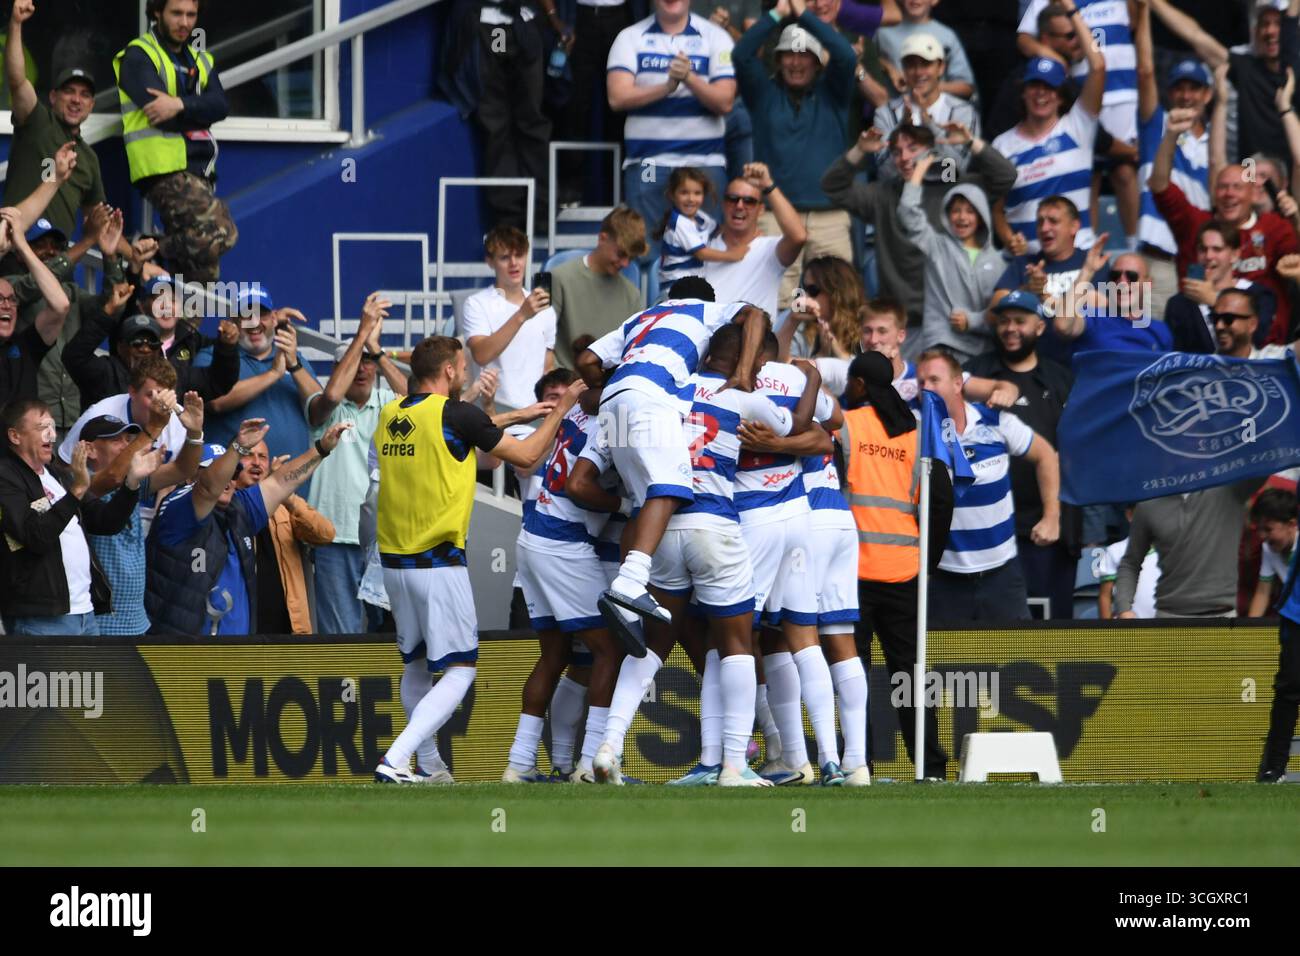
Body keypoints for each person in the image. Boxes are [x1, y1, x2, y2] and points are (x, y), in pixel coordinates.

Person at [581, 322, 816, 786]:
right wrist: (810, 378)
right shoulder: (741, 396)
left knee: (651, 645)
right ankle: (733, 764)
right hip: (716, 525)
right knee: (735, 643)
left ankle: (607, 747)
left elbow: (599, 407)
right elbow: (800, 426)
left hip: (660, 525)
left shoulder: (662, 394)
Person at [372, 336, 587, 784]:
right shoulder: (457, 414)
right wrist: (562, 408)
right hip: (438, 562)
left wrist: (518, 415)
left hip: (393, 563)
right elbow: (526, 455)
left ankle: (430, 768)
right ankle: (395, 759)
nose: (467, 372)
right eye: (463, 367)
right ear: (449, 370)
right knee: (460, 669)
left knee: (415, 663)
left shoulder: (391, 413)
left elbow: (464, 430)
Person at [574, 280, 767, 649]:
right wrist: (743, 374)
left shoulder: (639, 317)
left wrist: (612, 386)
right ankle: (631, 583)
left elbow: (586, 360)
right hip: (651, 397)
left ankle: (628, 600)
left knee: (642, 500)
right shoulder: (705, 311)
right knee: (672, 488)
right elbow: (756, 315)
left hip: (613, 404)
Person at [840, 350, 953, 779]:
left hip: (854, 571)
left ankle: (860, 765)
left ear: (861, 385)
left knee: (856, 675)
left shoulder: (848, 426)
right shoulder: (918, 432)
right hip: (906, 569)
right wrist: (929, 561)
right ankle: (932, 766)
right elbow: (941, 499)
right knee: (910, 675)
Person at [504, 388, 624, 784]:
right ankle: (590, 766)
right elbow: (579, 486)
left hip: (533, 537)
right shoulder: (613, 422)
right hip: (564, 542)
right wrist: (624, 505)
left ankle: (520, 763)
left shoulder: (573, 413)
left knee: (555, 657)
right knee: (609, 650)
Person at [146, 417, 350, 636]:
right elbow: (207, 489)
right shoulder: (178, 505)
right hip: (184, 654)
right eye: (216, 472)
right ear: (191, 476)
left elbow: (281, 482)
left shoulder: (239, 506)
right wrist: (237, 448)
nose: (227, 480)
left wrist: (321, 448)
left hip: (240, 655)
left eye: (233, 474)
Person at [822, 121, 1017, 345]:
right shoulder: (883, 193)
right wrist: (860, 151)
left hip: (953, 321)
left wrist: (970, 142)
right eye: (896, 152)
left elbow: (1006, 176)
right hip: (905, 322)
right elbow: (832, 186)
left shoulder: (952, 186)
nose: (904, 157)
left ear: (931, 152)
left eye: (913, 149)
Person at [919, 348, 1061, 622]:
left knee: (1017, 662)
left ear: (958, 383)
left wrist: (1052, 516)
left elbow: (1046, 455)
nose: (926, 388)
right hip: (944, 578)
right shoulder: (915, 430)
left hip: (1002, 575)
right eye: (922, 382)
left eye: (935, 380)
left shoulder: (996, 421)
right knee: (946, 663)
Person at [732, 0, 856, 308]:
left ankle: (833, 358)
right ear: (777, 59)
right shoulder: (763, 93)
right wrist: (778, 13)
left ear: (817, 62)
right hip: (776, 214)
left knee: (839, 302)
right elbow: (741, 53)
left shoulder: (834, 94)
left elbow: (845, 55)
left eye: (805, 55)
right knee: (772, 303)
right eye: (789, 54)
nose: (796, 62)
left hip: (830, 215)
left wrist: (804, 15)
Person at [967, 290, 1078, 619]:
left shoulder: (1061, 380)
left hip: (1045, 532)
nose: (1010, 328)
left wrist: (1058, 519)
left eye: (1020, 321)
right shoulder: (975, 375)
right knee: (989, 633)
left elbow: (1073, 455)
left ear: (1040, 328)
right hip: (986, 532)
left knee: (1047, 633)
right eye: (1003, 321)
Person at [1150, 108, 1298, 344]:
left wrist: (1296, 218)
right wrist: (1170, 135)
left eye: (1237, 187)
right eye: (1222, 187)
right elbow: (1159, 186)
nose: (1229, 194)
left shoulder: (1274, 229)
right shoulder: (1196, 224)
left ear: (1254, 193)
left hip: (1264, 351)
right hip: (1200, 348)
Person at [113, 0, 235, 283]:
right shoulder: (138, 55)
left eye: (191, 15)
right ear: (157, 12)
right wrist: (198, 111)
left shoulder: (201, 60)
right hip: (162, 169)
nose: (184, 23)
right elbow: (160, 115)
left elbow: (220, 106)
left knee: (202, 273)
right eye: (176, 14)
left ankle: (181, 326)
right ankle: (149, 248)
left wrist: (179, 104)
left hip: (199, 169)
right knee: (224, 231)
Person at [306, 293, 408, 634]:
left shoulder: (389, 403)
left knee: (393, 637)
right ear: (340, 368)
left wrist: (377, 350)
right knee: (341, 638)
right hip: (334, 537)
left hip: (387, 538)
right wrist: (364, 331)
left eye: (369, 361)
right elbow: (332, 395)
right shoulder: (323, 407)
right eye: (355, 360)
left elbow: (423, 403)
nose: (363, 368)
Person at [607, 0, 737, 263]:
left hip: (703, 162)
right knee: (644, 252)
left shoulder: (717, 37)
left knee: (707, 252)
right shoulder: (629, 37)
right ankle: (652, 304)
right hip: (649, 162)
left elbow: (724, 102)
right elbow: (617, 98)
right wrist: (667, 87)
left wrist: (689, 78)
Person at [0, 399, 145, 635]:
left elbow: (105, 521)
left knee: (93, 674)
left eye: (53, 426)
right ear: (15, 436)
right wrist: (77, 490)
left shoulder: (57, 475)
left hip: (85, 613)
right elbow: (35, 536)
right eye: (41, 428)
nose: (51, 435)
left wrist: (132, 483)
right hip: (42, 618)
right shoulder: (6, 477)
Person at [2, 0, 126, 256]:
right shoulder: (36, 121)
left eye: (84, 95)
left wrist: (134, 255)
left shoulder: (89, 159)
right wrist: (15, 24)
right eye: (69, 91)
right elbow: (16, 80)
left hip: (56, 269)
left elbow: (99, 221)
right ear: (53, 97)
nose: (76, 100)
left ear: (91, 104)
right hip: (13, 257)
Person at [1018, 0, 1140, 252]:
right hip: (1082, 91)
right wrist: (1054, 59)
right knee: (1090, 172)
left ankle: (1135, 247)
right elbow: (1024, 39)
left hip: (1123, 92)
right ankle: (1086, 247)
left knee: (1125, 171)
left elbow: (1135, 22)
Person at [81, 391, 204, 636]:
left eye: (129, 440)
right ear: (90, 450)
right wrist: (155, 426)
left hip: (138, 621)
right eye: (117, 440)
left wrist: (194, 434)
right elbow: (113, 477)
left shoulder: (133, 481)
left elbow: (183, 469)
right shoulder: (83, 486)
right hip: (102, 623)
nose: (127, 446)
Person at [992, 15, 1106, 255]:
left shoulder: (1078, 126)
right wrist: (1010, 240)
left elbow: (1097, 66)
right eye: (1034, 86)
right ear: (1023, 93)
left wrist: (1072, 11)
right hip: (1027, 263)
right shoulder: (1002, 145)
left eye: (1049, 87)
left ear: (1061, 95)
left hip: (1079, 261)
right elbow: (996, 208)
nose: (1040, 94)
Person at [1148, 0, 1300, 171]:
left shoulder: (1295, 70)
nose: (1270, 31)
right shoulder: (1246, 68)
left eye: (1279, 24)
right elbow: (1195, 35)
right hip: (1251, 178)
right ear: (1255, 31)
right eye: (1264, 24)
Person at [1133, 1, 1214, 317]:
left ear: (1207, 95)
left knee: (1194, 346)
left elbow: (1245, 176)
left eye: (1194, 89)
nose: (1186, 95)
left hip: (1197, 262)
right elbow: (1145, 69)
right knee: (1150, 348)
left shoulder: (1219, 146)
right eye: (1179, 88)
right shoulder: (1157, 124)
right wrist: (1143, 14)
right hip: (1155, 260)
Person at [897, 150, 1003, 362]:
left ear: (982, 217)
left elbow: (999, 311)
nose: (962, 217)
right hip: (942, 344)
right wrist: (919, 171)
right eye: (956, 210)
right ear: (947, 214)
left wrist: (973, 320)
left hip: (985, 349)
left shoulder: (998, 259)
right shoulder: (936, 245)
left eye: (970, 211)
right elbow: (908, 211)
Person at [201, 287, 321, 468]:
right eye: (246, 316)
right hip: (232, 487)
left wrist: (294, 365)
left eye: (261, 314)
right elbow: (216, 402)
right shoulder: (213, 356)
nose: (254, 322)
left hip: (292, 486)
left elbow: (321, 412)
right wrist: (273, 374)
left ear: (273, 319)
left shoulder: (294, 358)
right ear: (234, 322)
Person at [1115, 477, 1266, 620]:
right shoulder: (1148, 504)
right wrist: (1124, 609)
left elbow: (1263, 459)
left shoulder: (1229, 488)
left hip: (1221, 617)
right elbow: (1130, 562)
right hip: (1169, 618)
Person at [235, 439, 335, 635]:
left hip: (288, 629)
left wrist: (285, 493)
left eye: (262, 457)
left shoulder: (284, 507)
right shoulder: (225, 506)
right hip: (243, 630)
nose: (256, 462)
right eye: (248, 454)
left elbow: (325, 534)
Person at [462, 226, 557, 411]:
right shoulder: (476, 303)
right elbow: (481, 355)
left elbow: (548, 367)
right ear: (490, 261)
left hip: (535, 414)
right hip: (493, 413)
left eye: (519, 255)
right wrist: (522, 314)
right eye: (504, 257)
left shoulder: (546, 310)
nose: (514, 263)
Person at [702, 162, 808, 319]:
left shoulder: (770, 250)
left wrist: (768, 185)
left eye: (749, 201)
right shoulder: (703, 247)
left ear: (761, 210)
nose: (739, 206)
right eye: (733, 199)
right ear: (723, 204)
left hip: (756, 338)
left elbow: (799, 236)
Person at [871, 31, 981, 182]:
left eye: (926, 64)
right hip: (899, 198)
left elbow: (956, 171)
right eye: (911, 65)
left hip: (944, 198)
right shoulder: (885, 113)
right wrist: (902, 129)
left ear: (941, 67)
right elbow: (885, 174)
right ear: (903, 69)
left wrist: (929, 124)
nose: (918, 72)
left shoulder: (963, 112)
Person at [549, 206, 648, 370]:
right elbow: (541, 342)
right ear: (602, 238)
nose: (625, 263)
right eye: (621, 254)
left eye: (631, 257)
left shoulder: (632, 294)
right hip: (565, 384)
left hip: (612, 386)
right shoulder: (559, 278)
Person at [1165, 220, 1278, 353]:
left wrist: (1215, 302)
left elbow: (1257, 339)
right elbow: (1174, 355)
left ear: (1235, 255)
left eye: (1217, 249)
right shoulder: (1179, 304)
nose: (1208, 256)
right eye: (1203, 249)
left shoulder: (1260, 296)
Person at [1055, 237, 1174, 358]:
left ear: (1149, 283)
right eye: (1115, 275)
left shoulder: (1160, 330)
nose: (1122, 282)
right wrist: (1087, 270)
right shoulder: (1093, 318)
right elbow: (1063, 326)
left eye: (1131, 276)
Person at [60, 357, 189, 468]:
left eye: (167, 396)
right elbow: (64, 465)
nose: (161, 404)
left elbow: (180, 476)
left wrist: (195, 434)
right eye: (152, 395)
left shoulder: (181, 419)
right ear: (132, 392)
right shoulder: (98, 414)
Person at [0, 210, 71, 410]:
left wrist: (21, 244)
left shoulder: (25, 347)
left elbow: (60, 305)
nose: (7, 305)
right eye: (0, 299)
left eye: (12, 300)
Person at [656, 168, 749, 293]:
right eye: (684, 193)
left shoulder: (700, 217)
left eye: (697, 193)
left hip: (694, 286)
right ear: (672, 195)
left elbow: (719, 230)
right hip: (674, 288)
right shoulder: (678, 222)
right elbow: (701, 253)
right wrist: (733, 255)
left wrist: (749, 234)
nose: (691, 198)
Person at [1257, 524, 1299, 782]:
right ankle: (1275, 768)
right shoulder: (1271, 548)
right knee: (1289, 689)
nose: (1264, 536)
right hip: (1296, 617)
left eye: (1269, 528)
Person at [876, 0, 977, 100]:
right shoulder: (883, 32)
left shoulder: (947, 36)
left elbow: (967, 87)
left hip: (938, 111)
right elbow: (866, 59)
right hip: (893, 108)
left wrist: (927, 86)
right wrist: (889, 68)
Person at [783, 254, 866, 359]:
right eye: (803, 290)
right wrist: (790, 323)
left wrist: (841, 354)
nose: (805, 298)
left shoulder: (868, 326)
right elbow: (783, 367)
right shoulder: (796, 321)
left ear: (836, 294)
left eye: (813, 290)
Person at [1096, 503, 1161, 619]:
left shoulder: (1172, 549)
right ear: (1130, 515)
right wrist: (1108, 633)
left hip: (1168, 629)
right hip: (1128, 631)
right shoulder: (1114, 551)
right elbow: (1105, 597)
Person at [1247, 488, 1297, 618]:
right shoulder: (1268, 548)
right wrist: (1247, 632)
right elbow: (1263, 591)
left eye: (1268, 529)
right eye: (1259, 529)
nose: (1262, 535)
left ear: (1291, 524)